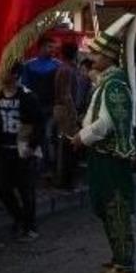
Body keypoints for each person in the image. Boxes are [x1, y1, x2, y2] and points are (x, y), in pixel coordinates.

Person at [71, 13, 136, 273]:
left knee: (116, 208)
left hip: (111, 155)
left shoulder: (114, 85)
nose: (91, 58)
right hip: (101, 154)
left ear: (109, 57)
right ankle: (117, 255)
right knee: (105, 206)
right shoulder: (106, 82)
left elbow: (106, 123)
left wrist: (81, 137)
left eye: (96, 54)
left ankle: (124, 261)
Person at [0, 65, 44, 240]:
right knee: (2, 189)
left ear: (15, 74)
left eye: (5, 71)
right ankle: (19, 218)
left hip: (23, 151)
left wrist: (32, 145)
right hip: (3, 151)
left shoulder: (27, 96)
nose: (1, 74)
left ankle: (30, 226)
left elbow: (38, 123)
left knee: (25, 190)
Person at [21, 36, 60, 168]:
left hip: (51, 108)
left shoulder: (58, 65)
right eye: (50, 47)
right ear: (41, 47)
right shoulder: (28, 65)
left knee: (48, 136)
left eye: (54, 48)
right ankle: (36, 164)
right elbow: (25, 87)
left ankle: (48, 165)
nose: (52, 50)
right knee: (34, 136)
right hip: (34, 108)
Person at [53, 41, 82, 189]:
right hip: (65, 110)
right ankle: (64, 180)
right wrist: (73, 112)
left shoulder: (69, 69)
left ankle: (67, 178)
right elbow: (66, 94)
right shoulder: (66, 70)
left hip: (67, 109)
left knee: (69, 145)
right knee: (66, 145)